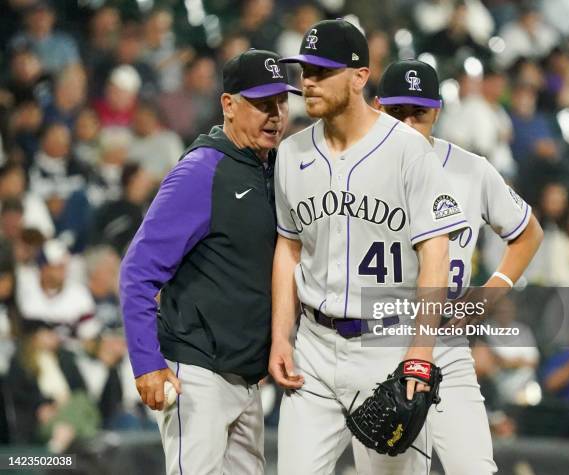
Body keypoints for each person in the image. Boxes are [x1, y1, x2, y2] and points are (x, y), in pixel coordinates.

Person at [271, 20, 469, 474]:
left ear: (360, 76)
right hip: (314, 352)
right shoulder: (292, 153)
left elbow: (435, 254)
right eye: (305, 71)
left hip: (388, 346)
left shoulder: (407, 150)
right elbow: (288, 248)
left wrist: (421, 351)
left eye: (322, 72)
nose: (309, 82)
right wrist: (282, 336)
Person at [119, 49, 300, 474]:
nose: (274, 115)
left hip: (246, 378)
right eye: (261, 103)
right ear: (228, 104)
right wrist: (147, 363)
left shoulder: (273, 167)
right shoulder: (201, 172)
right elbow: (137, 273)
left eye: (281, 102)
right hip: (197, 373)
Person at [362, 59, 544, 473]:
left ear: (437, 112)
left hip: (446, 342)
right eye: (397, 112)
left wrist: (493, 289)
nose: (409, 123)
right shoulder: (354, 171)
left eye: (419, 113)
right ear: (376, 107)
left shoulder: (470, 169)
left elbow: (528, 232)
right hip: (376, 343)